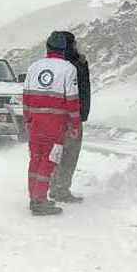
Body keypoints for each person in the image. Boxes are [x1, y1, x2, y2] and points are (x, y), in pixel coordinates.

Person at [23, 31, 81, 216]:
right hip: (55, 124)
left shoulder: (34, 67)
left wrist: (27, 119)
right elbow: (72, 100)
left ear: (47, 47)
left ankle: (34, 197)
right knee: (49, 160)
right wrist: (75, 124)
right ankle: (40, 201)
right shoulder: (68, 69)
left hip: (36, 122)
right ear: (63, 49)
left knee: (35, 158)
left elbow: (25, 96)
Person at [50, 31, 90, 203]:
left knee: (57, 153)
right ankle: (61, 189)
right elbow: (79, 93)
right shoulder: (74, 65)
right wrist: (78, 117)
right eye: (73, 43)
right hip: (71, 116)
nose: (76, 46)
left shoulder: (56, 64)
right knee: (68, 154)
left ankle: (55, 187)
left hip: (59, 116)